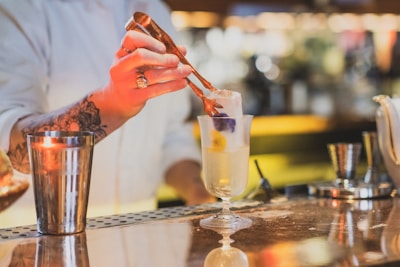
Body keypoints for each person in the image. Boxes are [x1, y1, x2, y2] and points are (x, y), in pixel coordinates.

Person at [0, 0, 214, 227]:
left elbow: (172, 137)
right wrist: (112, 105)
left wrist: (198, 193)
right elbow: (13, 147)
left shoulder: (156, 10)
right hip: (41, 243)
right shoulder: (23, 7)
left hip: (142, 240)